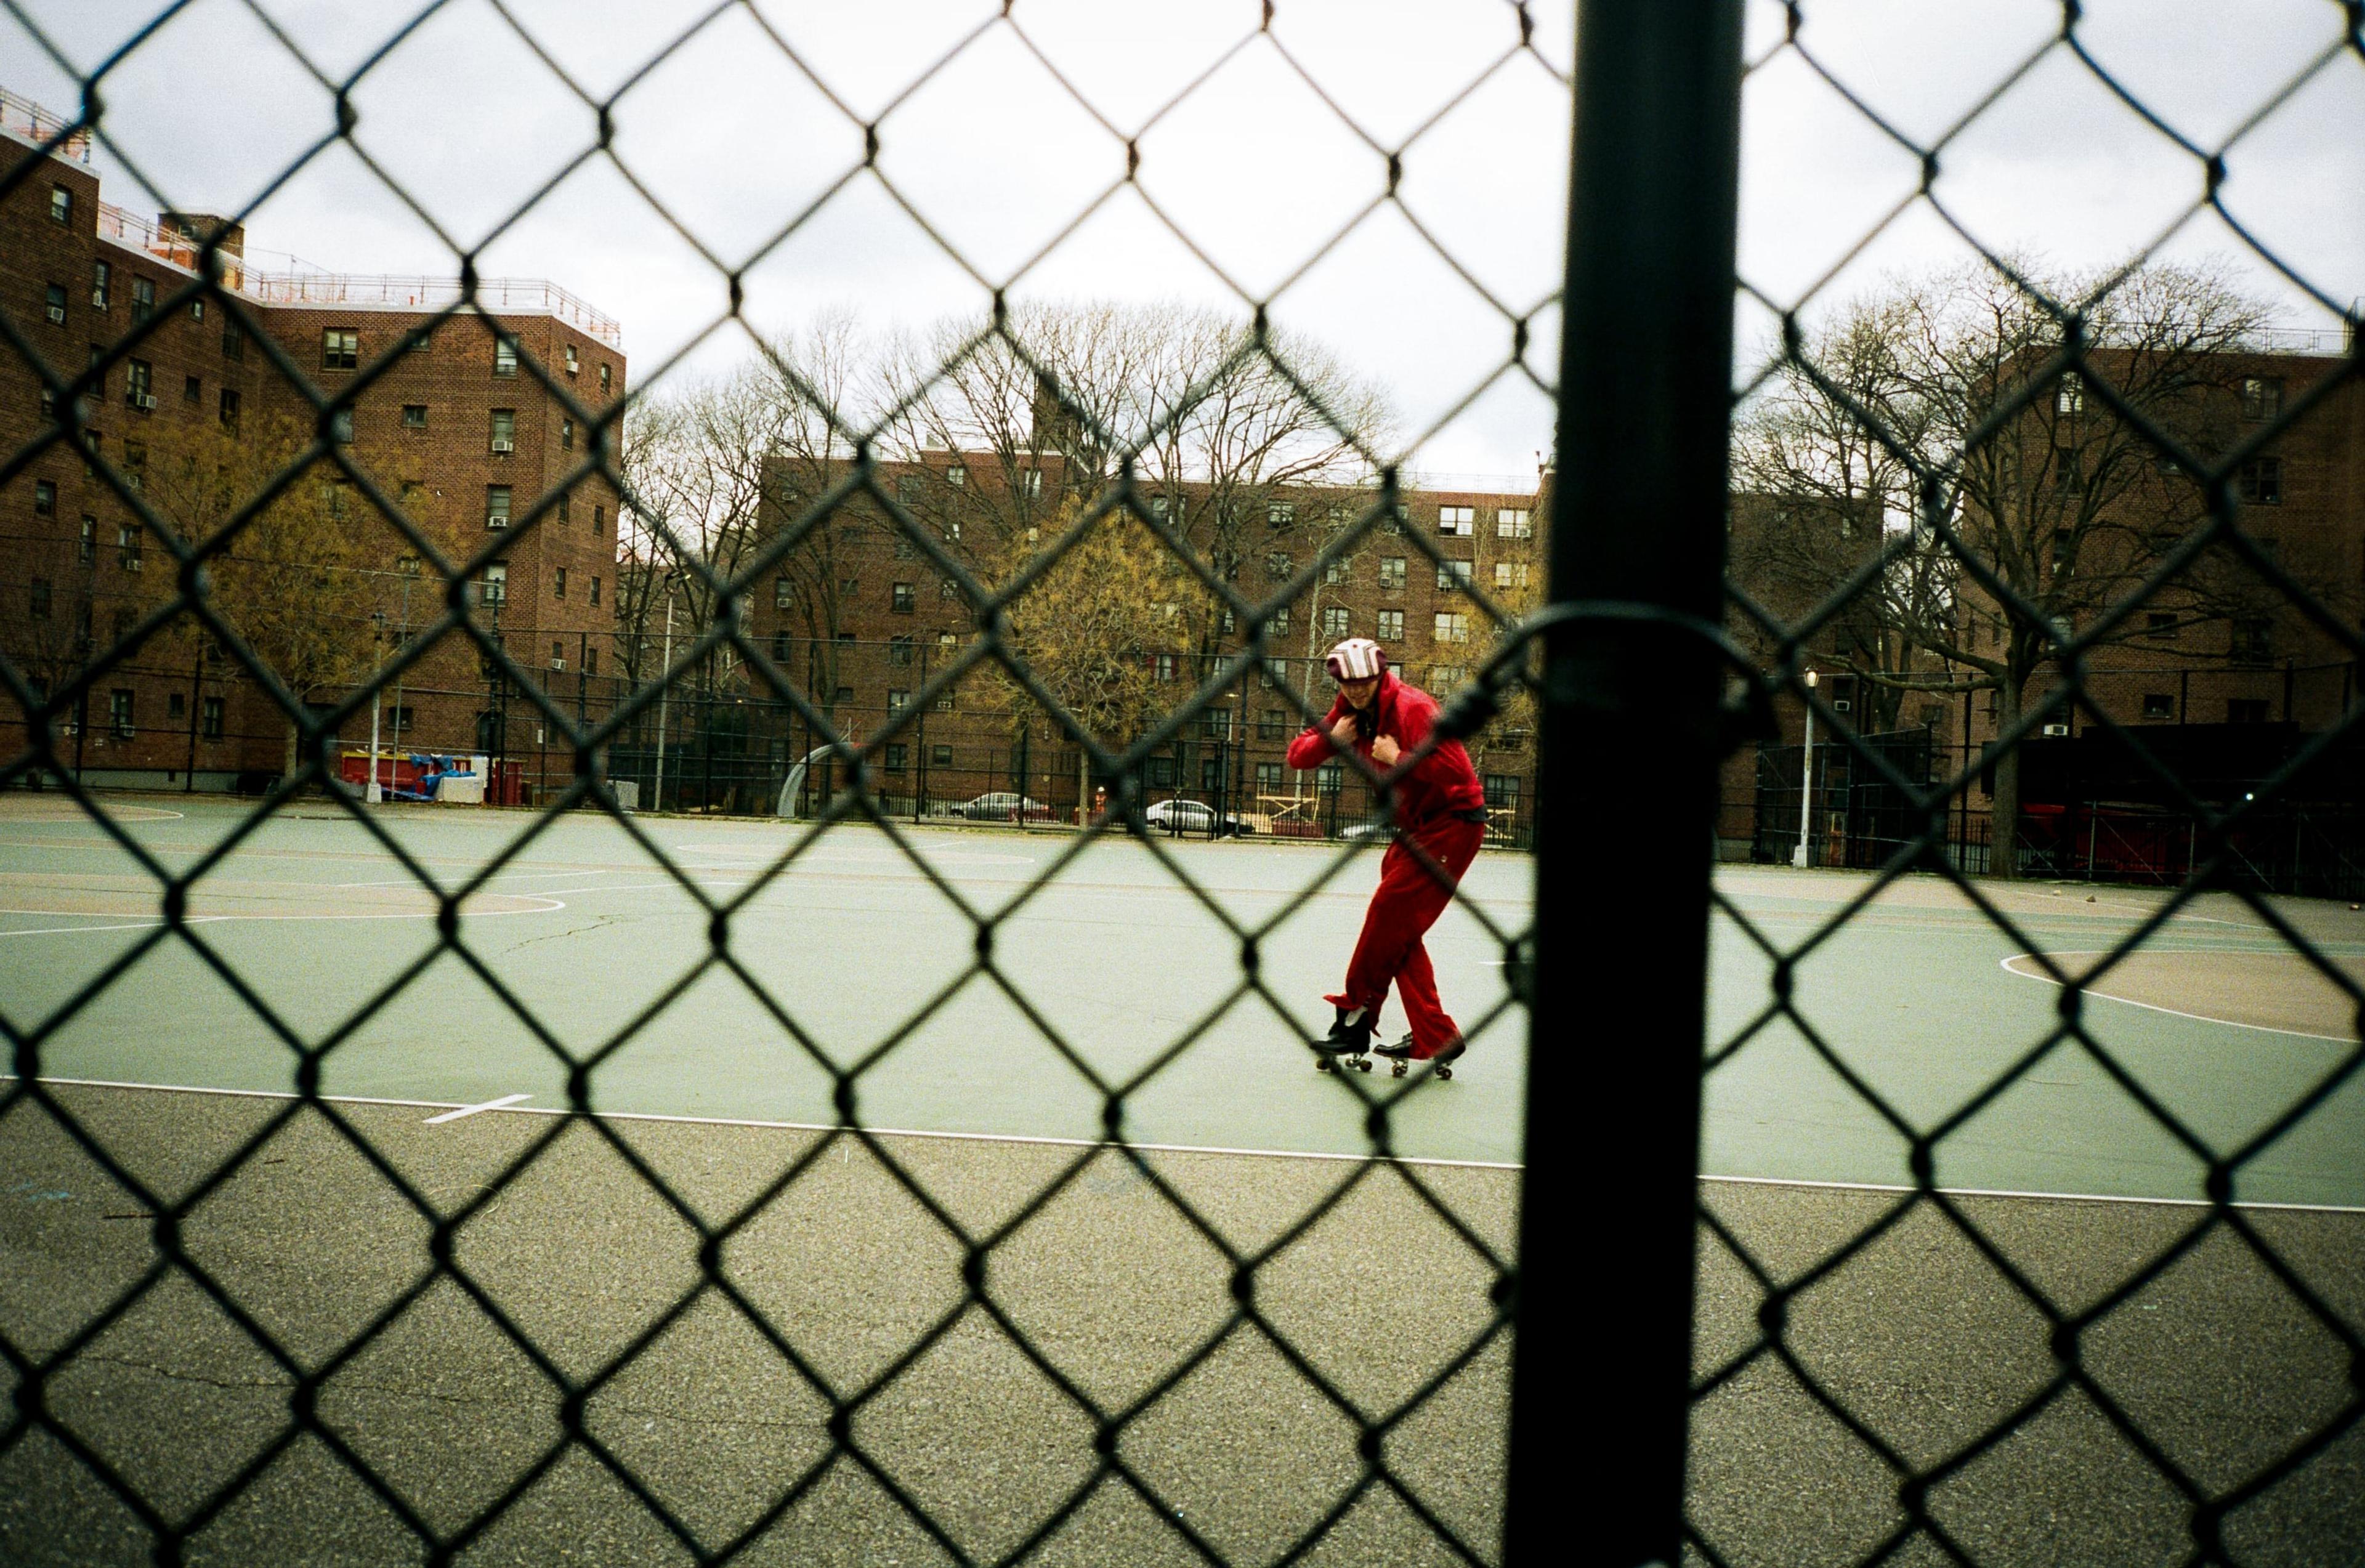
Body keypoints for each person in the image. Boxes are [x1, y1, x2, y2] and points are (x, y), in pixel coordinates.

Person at [1285, 637, 1490, 1071]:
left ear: (1381, 675)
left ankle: (1355, 1013)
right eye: (1348, 684)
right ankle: (1436, 1033)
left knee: (1386, 912)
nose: (1357, 691)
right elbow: (1297, 757)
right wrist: (1331, 738)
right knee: (1398, 930)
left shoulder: (1414, 709)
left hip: (1454, 823)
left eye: (1365, 682)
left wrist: (1401, 757)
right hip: (1413, 828)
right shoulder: (1347, 711)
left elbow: (1459, 773)